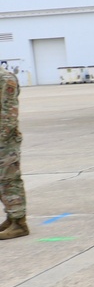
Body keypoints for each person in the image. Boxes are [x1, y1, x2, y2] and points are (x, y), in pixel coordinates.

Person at [0, 65, 28, 240]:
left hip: (5, 140)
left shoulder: (5, 78)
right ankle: (12, 217)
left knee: (9, 180)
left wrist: (2, 138)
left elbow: (8, 113)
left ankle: (19, 223)